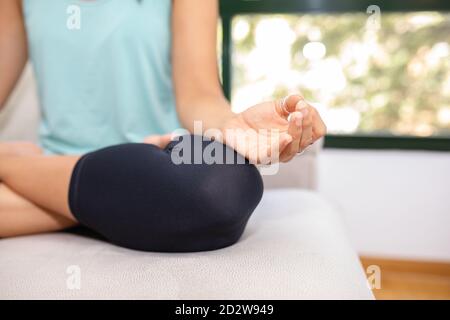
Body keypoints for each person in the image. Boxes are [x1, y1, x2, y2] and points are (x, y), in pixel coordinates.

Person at [0, 0, 326, 251]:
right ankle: (115, 206)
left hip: (158, 165)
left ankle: (11, 165)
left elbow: (198, 95)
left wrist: (230, 126)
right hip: (65, 173)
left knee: (222, 187)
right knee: (181, 200)